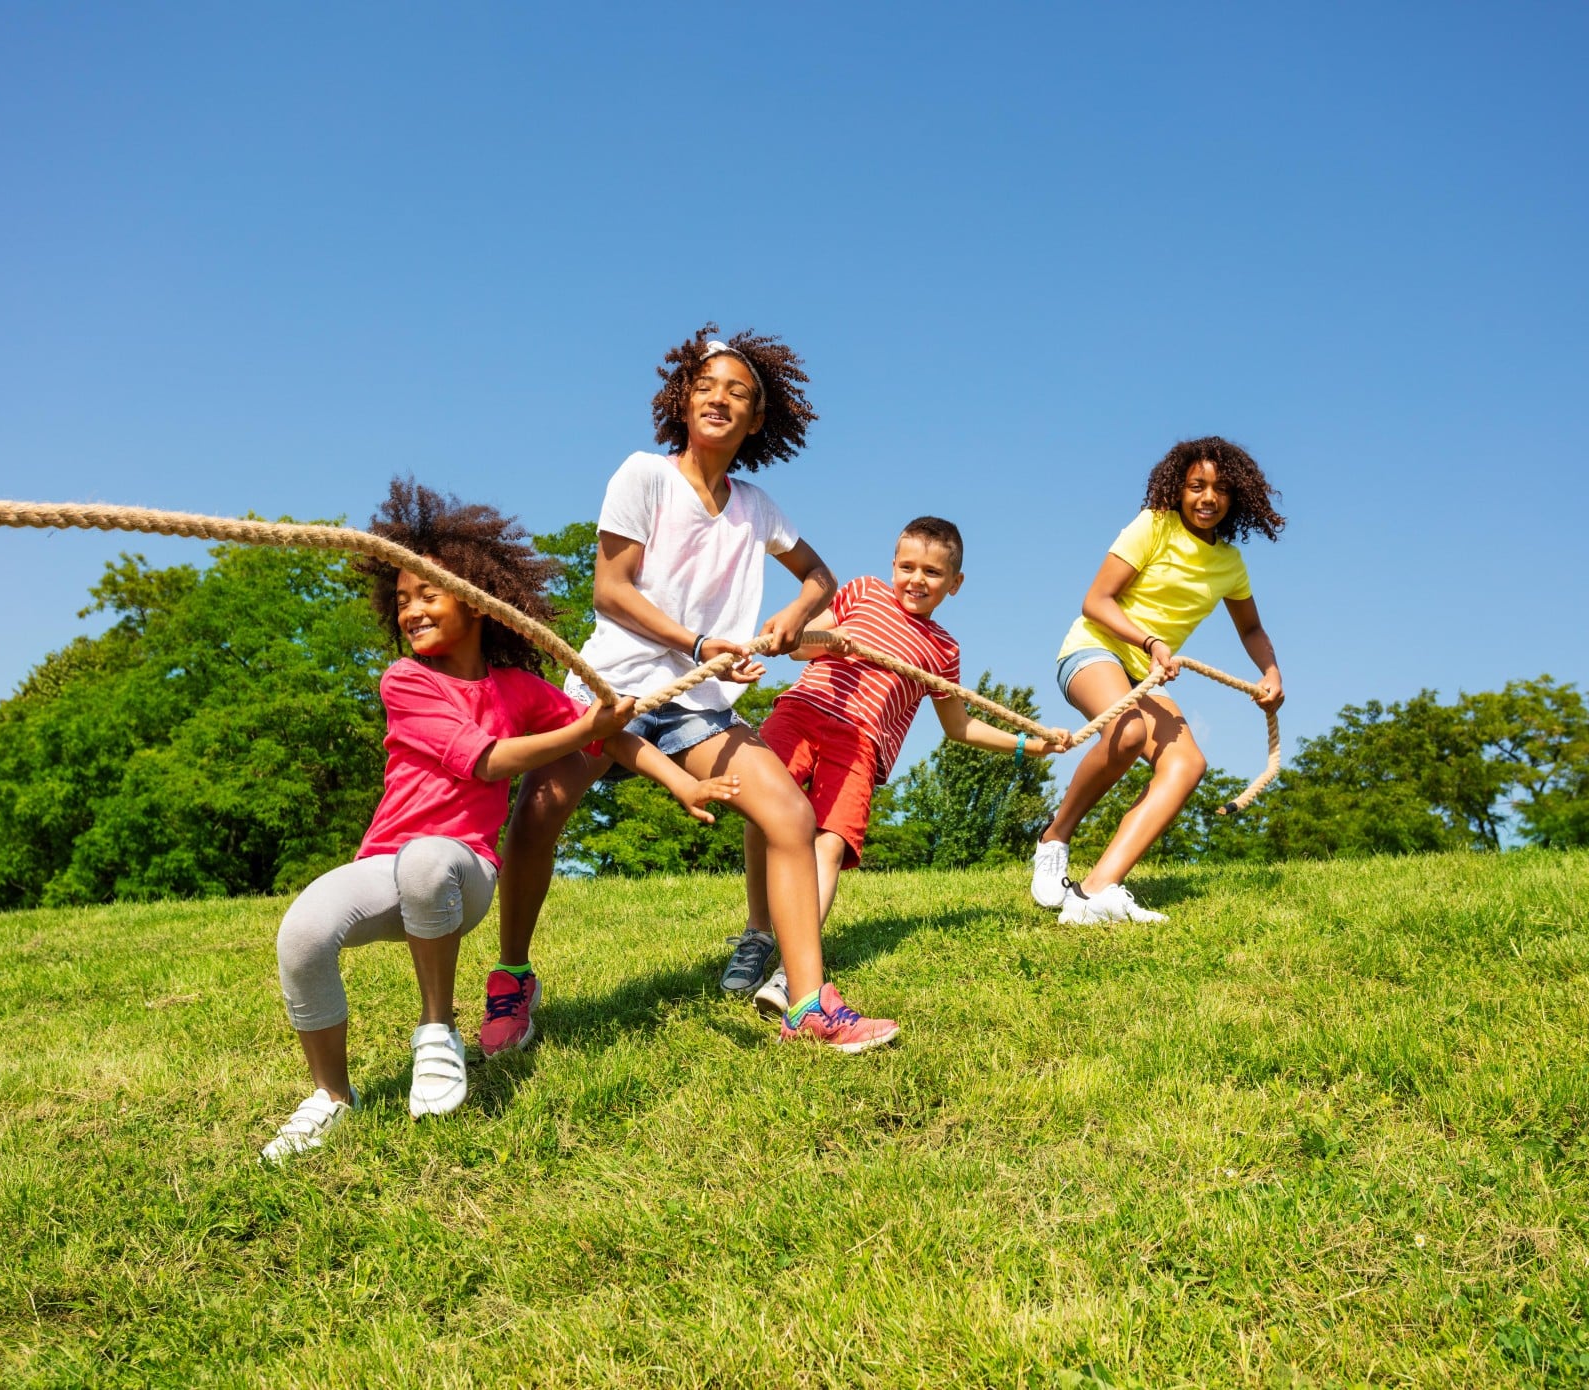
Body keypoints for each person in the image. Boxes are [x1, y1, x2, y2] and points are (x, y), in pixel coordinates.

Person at [261, 479, 736, 1162]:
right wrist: (583, 733)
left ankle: (436, 1032)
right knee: (302, 934)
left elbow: (611, 737)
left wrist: (681, 780)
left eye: (428, 594)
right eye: (400, 601)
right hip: (383, 866)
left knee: (429, 859)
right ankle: (331, 1097)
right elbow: (486, 761)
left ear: (478, 601)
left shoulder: (518, 690)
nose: (411, 612)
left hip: (463, 872)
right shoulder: (406, 681)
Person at [496, 325, 900, 1054]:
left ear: (756, 420)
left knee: (788, 815)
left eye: (738, 393)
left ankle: (807, 1003)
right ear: (681, 400)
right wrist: (697, 642)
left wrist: (791, 618)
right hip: (614, 685)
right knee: (538, 813)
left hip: (699, 705)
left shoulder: (757, 507)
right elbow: (610, 592)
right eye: (706, 386)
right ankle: (513, 978)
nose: (719, 398)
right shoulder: (642, 477)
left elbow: (820, 578)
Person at [720, 516, 1060, 1014]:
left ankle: (792, 974)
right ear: (892, 565)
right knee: (763, 810)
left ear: (955, 583)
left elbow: (958, 726)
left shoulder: (943, 650)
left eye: (932, 572)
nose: (917, 579)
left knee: (830, 844)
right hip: (804, 710)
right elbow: (798, 647)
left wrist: (1030, 745)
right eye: (907, 566)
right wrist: (831, 641)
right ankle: (758, 932)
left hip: (861, 742)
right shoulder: (862, 593)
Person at [1031, 437, 1287, 924]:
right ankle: (1054, 838)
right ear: (1178, 487)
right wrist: (1151, 642)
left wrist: (1270, 672)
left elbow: (1251, 629)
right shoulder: (1153, 525)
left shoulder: (1230, 565)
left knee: (1188, 765)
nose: (1207, 497)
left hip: (1146, 672)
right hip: (1095, 649)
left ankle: (1094, 894)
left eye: (1220, 489)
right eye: (1196, 486)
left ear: (1237, 498)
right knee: (1126, 732)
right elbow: (1097, 601)